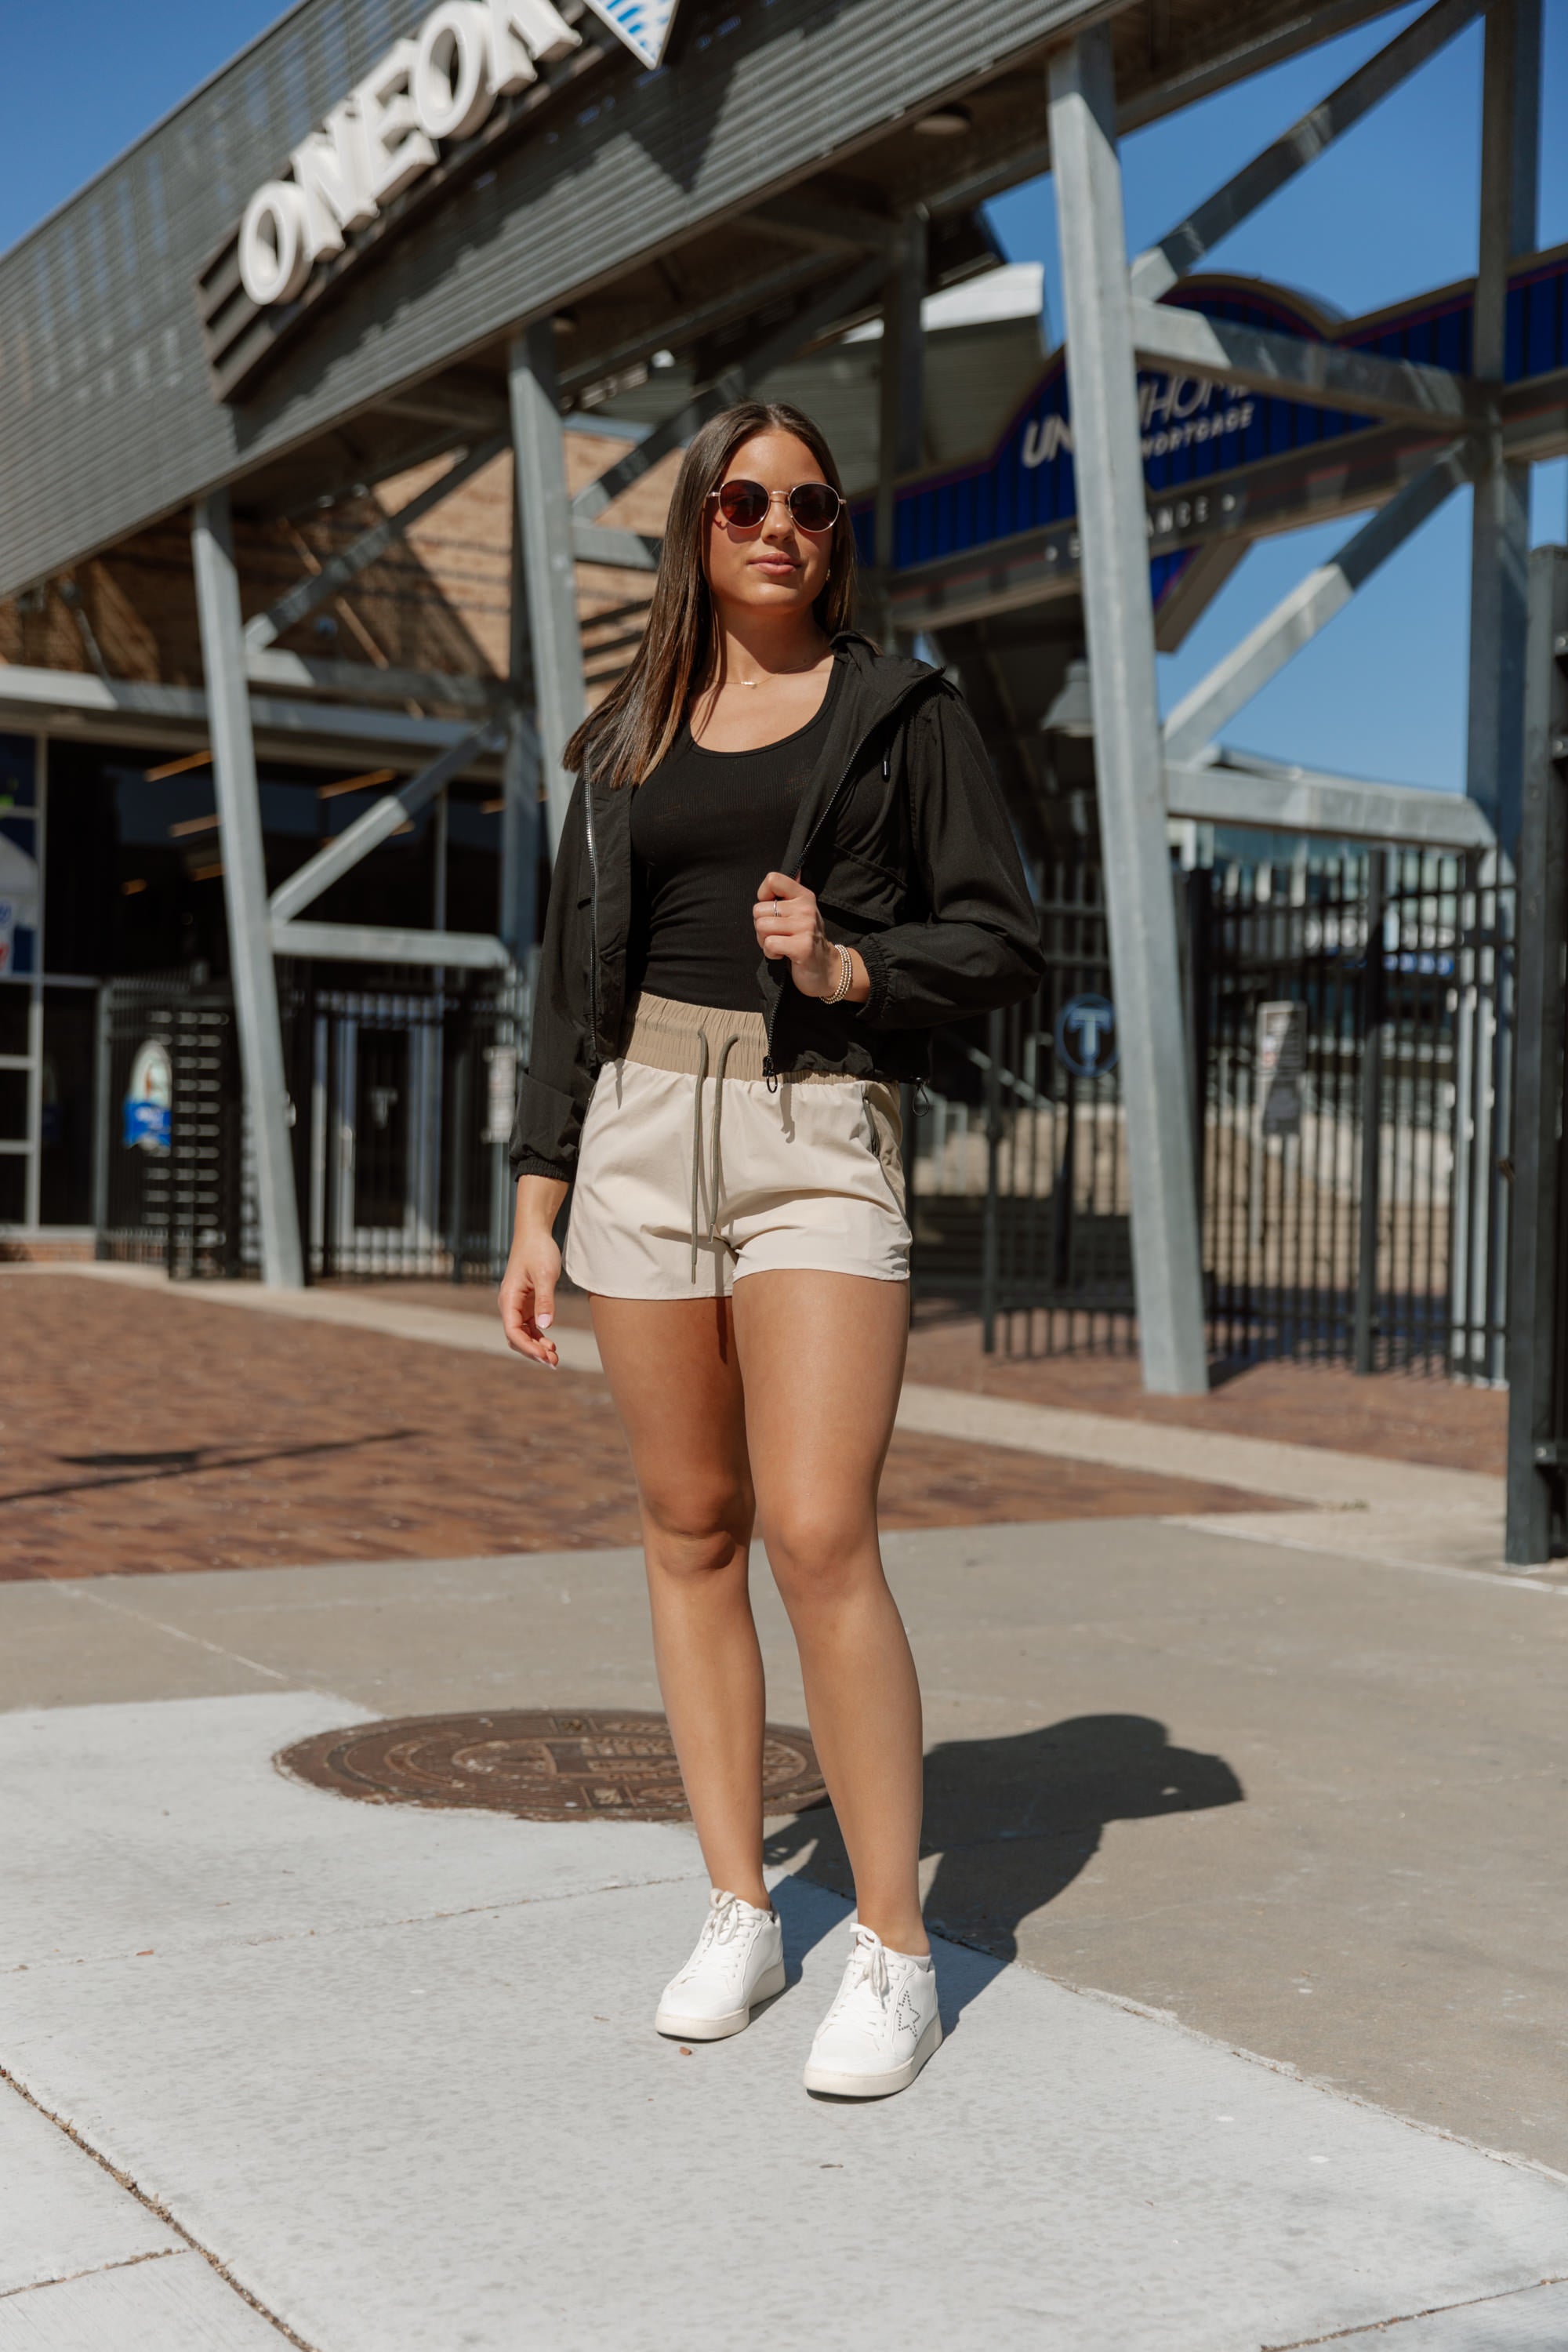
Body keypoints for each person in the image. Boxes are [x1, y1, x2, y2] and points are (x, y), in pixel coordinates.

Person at [500, 399, 1042, 2098]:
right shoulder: (624, 736)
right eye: (745, 501)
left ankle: (893, 1944)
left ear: (835, 535)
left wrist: (851, 965)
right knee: (689, 1527)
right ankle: (738, 1903)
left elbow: (1001, 937)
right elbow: (570, 977)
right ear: (698, 523)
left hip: (815, 1132)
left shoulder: (904, 716)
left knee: (816, 1531)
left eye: (811, 504)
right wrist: (537, 1191)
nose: (779, 527)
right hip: (639, 1132)